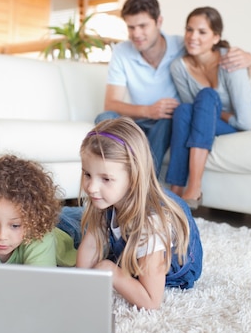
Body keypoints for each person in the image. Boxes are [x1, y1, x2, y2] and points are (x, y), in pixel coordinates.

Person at [95, 0, 251, 176]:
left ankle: (145, 183)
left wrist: (250, 59)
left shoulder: (183, 45)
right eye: (131, 27)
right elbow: (111, 103)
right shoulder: (122, 52)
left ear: (159, 22)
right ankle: (110, 180)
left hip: (166, 123)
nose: (136, 34)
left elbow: (213, 52)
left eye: (142, 26)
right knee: (105, 117)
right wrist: (148, 111)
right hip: (136, 123)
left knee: (170, 118)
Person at [76, 117, 203, 310]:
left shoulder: (152, 223)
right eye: (87, 174)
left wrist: (110, 270)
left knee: (73, 229)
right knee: (69, 222)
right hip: (133, 237)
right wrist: (78, 283)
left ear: (134, 176)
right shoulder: (105, 197)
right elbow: (91, 245)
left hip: (175, 269)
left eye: (106, 179)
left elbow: (152, 301)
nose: (91, 187)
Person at [166, 6, 251, 209]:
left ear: (216, 37)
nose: (192, 37)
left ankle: (195, 186)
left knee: (207, 96)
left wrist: (219, 114)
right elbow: (192, 111)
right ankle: (175, 191)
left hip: (235, 125)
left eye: (202, 32)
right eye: (189, 30)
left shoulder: (231, 61)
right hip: (202, 122)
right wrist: (209, 113)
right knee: (182, 110)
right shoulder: (178, 67)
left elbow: (246, 122)